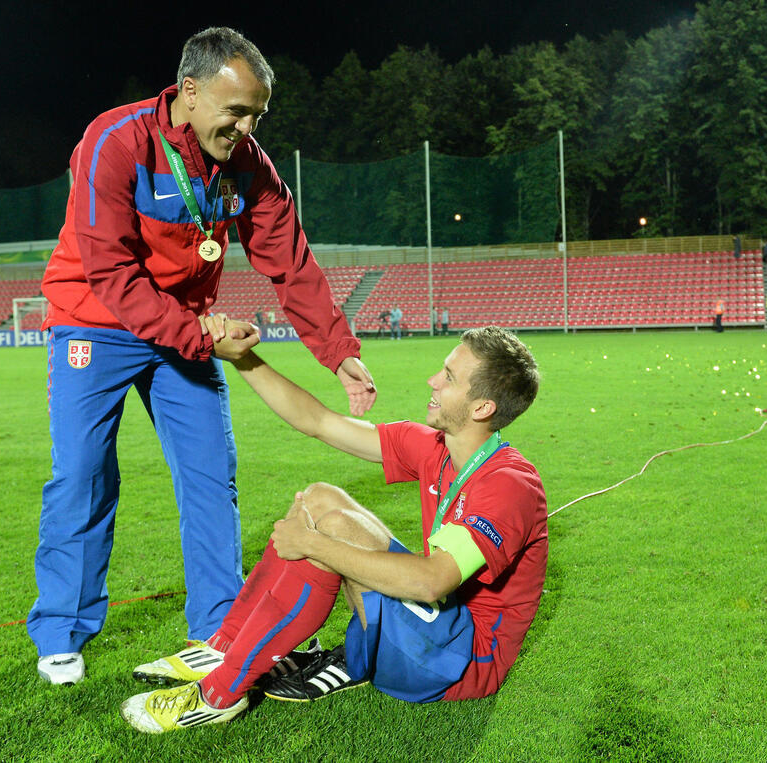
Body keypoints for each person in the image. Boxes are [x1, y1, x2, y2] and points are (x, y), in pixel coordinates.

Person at [28, 26, 377, 685]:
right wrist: (198, 336)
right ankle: (61, 635)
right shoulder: (115, 141)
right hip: (94, 322)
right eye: (236, 111)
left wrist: (338, 350)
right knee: (82, 474)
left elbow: (290, 261)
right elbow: (109, 271)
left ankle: (219, 628)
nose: (245, 128)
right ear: (189, 91)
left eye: (257, 116)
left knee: (212, 475)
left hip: (186, 332)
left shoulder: (247, 163)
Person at [120, 323, 546, 734]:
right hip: (436, 627)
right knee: (321, 497)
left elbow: (431, 583)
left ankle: (218, 695)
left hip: (462, 662)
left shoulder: (509, 485)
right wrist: (244, 359)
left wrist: (312, 544)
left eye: (449, 377)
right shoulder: (436, 448)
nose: (433, 380)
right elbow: (318, 421)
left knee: (332, 531)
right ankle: (224, 646)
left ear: (482, 408)